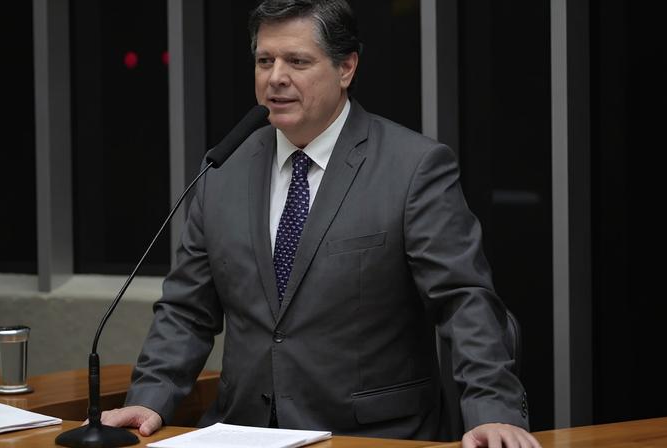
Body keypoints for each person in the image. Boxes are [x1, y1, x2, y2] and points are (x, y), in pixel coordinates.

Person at [101, 1, 541, 446]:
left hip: (374, 436)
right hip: (246, 432)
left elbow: (462, 300)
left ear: (346, 67)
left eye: (297, 61)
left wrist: (492, 411)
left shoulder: (412, 168)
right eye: (264, 60)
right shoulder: (223, 170)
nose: (276, 77)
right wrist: (150, 399)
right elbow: (187, 311)